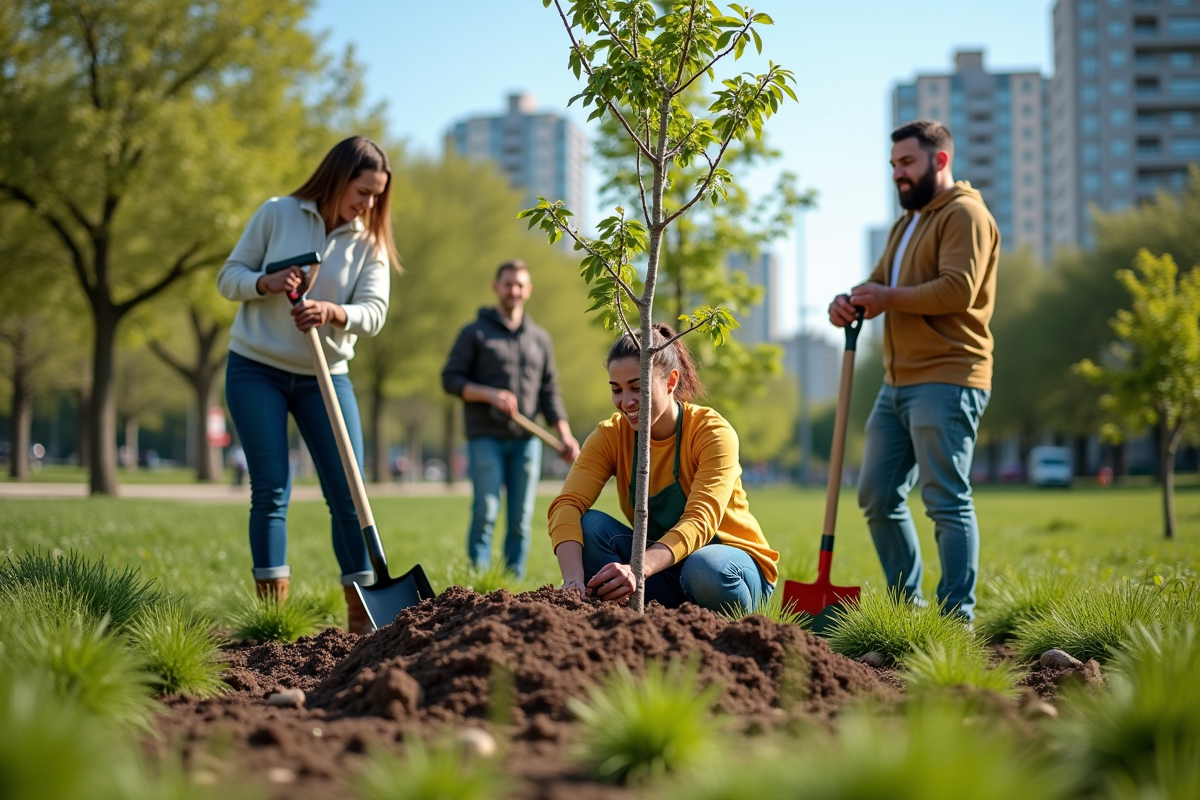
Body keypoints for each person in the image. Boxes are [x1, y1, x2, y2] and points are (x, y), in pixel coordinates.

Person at [217, 136, 398, 634]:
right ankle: (273, 621)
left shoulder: (368, 243)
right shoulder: (278, 214)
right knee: (272, 489)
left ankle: (362, 621)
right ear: (338, 179)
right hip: (257, 367)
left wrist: (332, 311)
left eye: (377, 196)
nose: (369, 204)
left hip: (326, 376)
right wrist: (265, 283)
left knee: (348, 492)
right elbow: (228, 277)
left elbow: (375, 314)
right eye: (363, 191)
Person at [829, 119, 999, 622]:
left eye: (907, 163)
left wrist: (887, 299)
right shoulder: (907, 223)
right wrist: (851, 300)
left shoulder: (965, 214)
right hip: (897, 381)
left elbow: (957, 289)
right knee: (877, 495)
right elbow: (878, 283)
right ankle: (908, 607)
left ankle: (955, 619)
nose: (898, 175)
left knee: (946, 499)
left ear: (940, 160)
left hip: (948, 376)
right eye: (894, 166)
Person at [547, 324, 779, 612]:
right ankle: (662, 617)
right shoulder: (610, 435)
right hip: (660, 569)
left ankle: (725, 627)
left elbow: (700, 521)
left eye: (637, 387)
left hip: (730, 568)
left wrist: (636, 568)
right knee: (589, 526)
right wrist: (572, 581)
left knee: (703, 567)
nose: (626, 401)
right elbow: (566, 504)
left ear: (670, 381)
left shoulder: (712, 433)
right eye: (617, 390)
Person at [442, 260, 580, 578]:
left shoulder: (540, 339)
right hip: (485, 436)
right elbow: (450, 379)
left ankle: (510, 583)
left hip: (526, 441)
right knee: (486, 511)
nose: (514, 290)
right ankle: (478, 581)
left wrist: (564, 433)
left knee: (521, 517)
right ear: (496, 287)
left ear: (528, 290)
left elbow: (550, 393)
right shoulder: (474, 333)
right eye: (508, 284)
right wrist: (490, 394)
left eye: (520, 285)